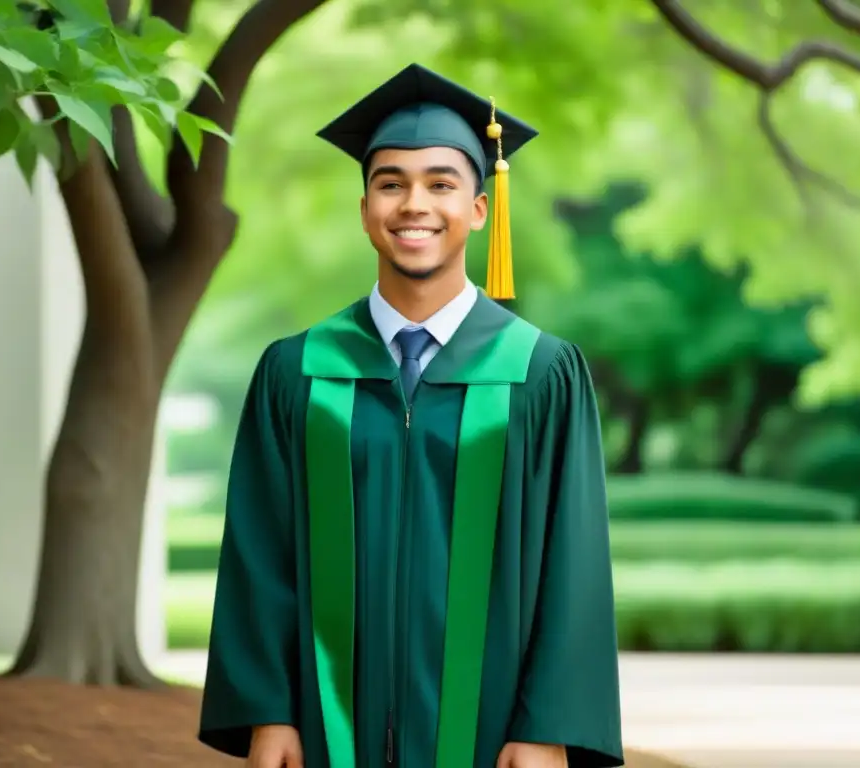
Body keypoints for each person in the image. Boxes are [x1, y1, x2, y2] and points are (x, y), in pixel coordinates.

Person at [198, 63, 624, 768]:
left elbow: (572, 560)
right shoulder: (296, 371)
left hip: (491, 734)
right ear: (365, 208)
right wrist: (268, 711)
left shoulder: (541, 373)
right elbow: (257, 551)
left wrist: (547, 725)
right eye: (390, 184)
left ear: (481, 209)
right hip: (325, 726)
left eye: (441, 183)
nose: (413, 204)